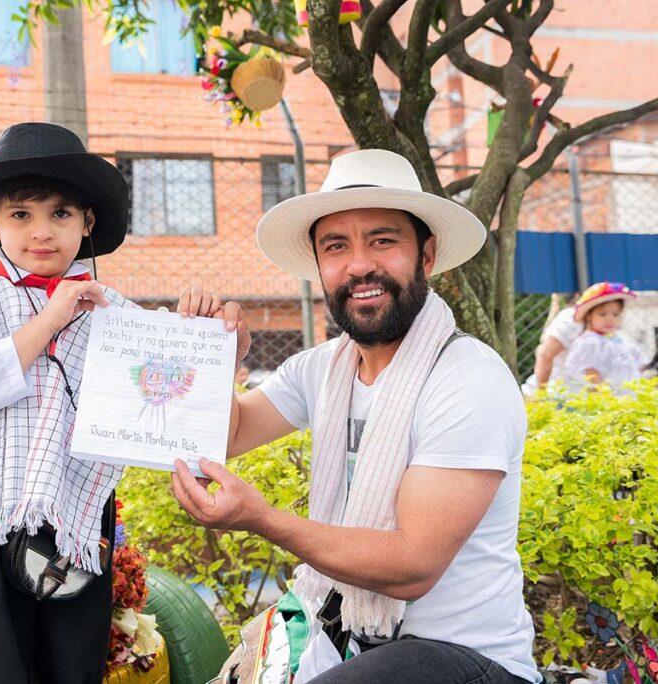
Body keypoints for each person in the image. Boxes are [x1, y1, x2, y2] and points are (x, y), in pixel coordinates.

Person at [172, 150, 539, 683]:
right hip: (350, 642)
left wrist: (264, 519)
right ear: (319, 265)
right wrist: (216, 360)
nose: (359, 264)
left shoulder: (468, 377)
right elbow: (227, 434)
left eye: (383, 241)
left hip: (467, 659)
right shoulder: (323, 368)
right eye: (336, 246)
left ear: (426, 255)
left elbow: (413, 566)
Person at [0, 123, 244, 683]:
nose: (42, 231)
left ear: (87, 222)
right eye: (21, 214)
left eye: (61, 214)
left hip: (81, 516)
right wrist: (49, 320)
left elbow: (166, 379)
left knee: (75, 661)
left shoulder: (109, 309)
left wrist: (213, 334)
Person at [560, 282, 646, 391]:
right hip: (607, 399)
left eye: (615, 314)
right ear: (588, 316)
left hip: (626, 397)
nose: (610, 319)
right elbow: (592, 377)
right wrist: (603, 397)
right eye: (602, 314)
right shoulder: (590, 343)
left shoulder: (620, 340)